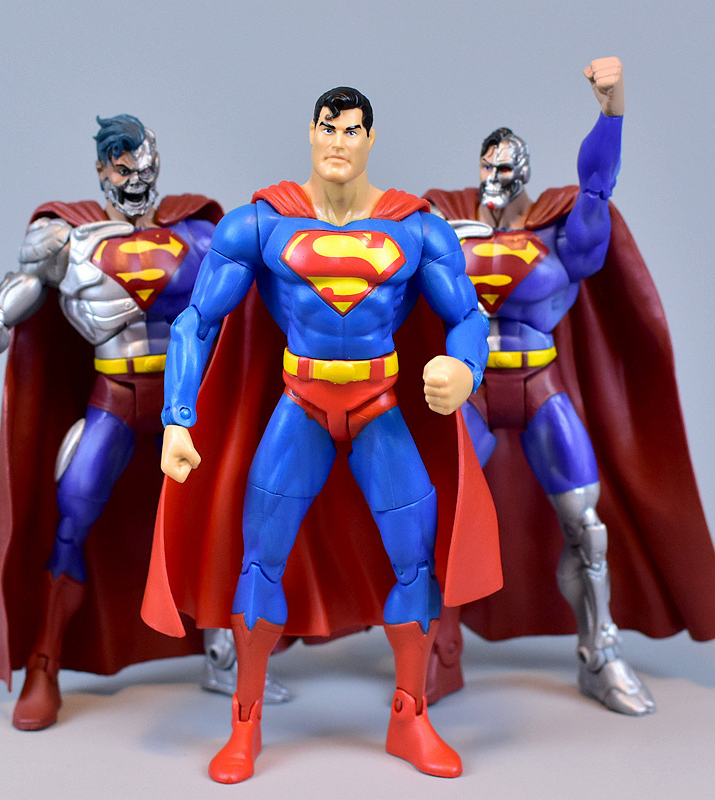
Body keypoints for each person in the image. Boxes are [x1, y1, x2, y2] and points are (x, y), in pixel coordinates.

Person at [143, 87, 501, 782]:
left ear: (371, 139)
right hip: (300, 407)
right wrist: (178, 417)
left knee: (415, 562)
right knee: (259, 562)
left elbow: (468, 316)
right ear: (311, 133)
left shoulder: (416, 229)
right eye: (328, 128)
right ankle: (244, 725)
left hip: (379, 407)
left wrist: (465, 367)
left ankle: (410, 717)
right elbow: (196, 322)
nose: (339, 141)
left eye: (352, 130)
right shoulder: (260, 224)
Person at [424, 57, 715, 715]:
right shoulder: (444, 230)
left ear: (525, 174)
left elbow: (597, 185)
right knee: (437, 515)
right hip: (471, 391)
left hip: (539, 387)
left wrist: (611, 113)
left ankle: (599, 652)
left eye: (506, 168)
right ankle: (433, 648)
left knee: (586, 526)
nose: (494, 179)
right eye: (487, 167)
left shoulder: (560, 237)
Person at [0, 114, 231, 730]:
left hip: (183, 405)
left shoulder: (200, 235)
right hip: (113, 398)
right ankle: (45, 660)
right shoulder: (66, 241)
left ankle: (227, 650)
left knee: (221, 513)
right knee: (74, 511)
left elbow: (254, 302)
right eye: (120, 167)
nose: (133, 179)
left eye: (142, 165)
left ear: (156, 163)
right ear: (102, 171)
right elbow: (13, 302)